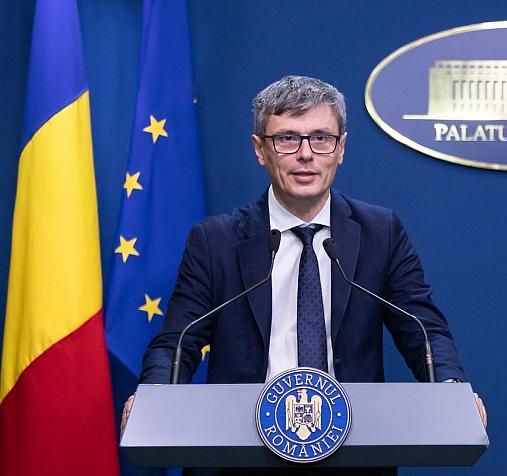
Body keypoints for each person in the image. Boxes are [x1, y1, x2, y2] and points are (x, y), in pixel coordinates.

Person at [121, 75, 486, 473]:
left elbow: (423, 329)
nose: (306, 154)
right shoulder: (216, 240)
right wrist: (154, 395)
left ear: (340, 148)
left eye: (321, 138)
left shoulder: (381, 233)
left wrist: (450, 389)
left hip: (352, 456)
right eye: (287, 139)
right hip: (240, 457)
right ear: (260, 149)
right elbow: (177, 341)